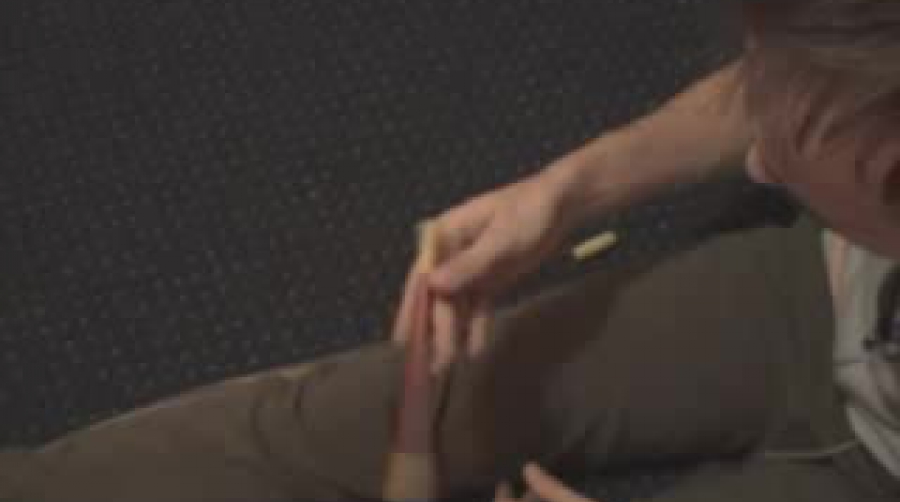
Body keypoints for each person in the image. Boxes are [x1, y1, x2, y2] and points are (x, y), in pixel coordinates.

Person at [1, 0, 898, 501]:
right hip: (821, 301)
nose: (755, 166)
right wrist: (566, 193)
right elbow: (804, 68)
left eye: (794, 146)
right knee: (370, 412)